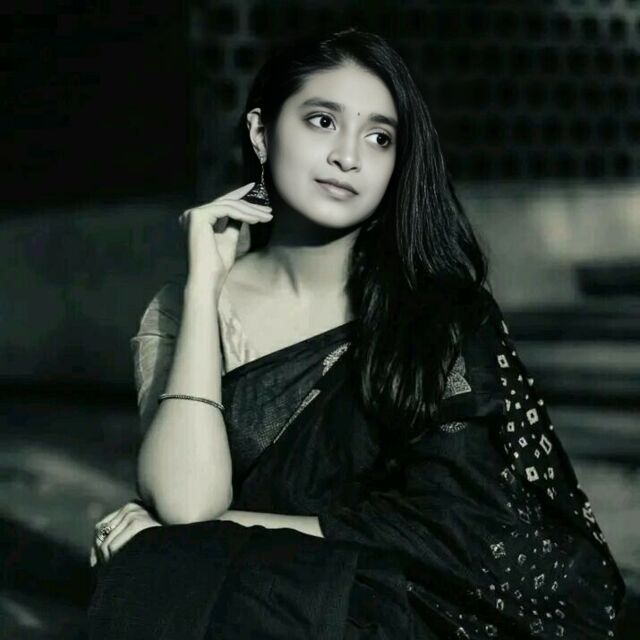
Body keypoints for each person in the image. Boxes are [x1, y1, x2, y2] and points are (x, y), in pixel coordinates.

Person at [86, 28, 624, 639]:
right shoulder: (183, 308)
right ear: (261, 134)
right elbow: (185, 503)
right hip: (267, 595)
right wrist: (203, 287)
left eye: (378, 137)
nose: (349, 157)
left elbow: (456, 527)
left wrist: (209, 534)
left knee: (166, 564)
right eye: (322, 121)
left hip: (415, 598)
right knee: (163, 570)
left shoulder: (440, 314)